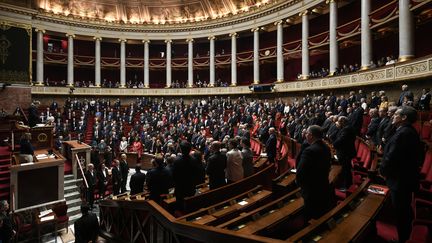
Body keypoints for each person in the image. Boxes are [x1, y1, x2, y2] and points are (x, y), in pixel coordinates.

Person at [379, 106, 423, 243]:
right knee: (403, 210)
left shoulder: (404, 133)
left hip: (400, 180)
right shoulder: (406, 131)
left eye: (396, 114)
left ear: (404, 118)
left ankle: (403, 238)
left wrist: (383, 171)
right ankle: (405, 236)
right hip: (403, 178)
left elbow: (392, 157)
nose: (392, 116)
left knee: (401, 212)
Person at [296, 125, 335, 221]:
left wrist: (300, 185)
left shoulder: (309, 151)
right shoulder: (326, 147)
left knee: (310, 214)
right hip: (322, 185)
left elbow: (301, 172)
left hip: (311, 189)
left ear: (310, 135)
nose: (305, 135)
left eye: (306, 134)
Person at [172, 141, 202, 211]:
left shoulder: (177, 160)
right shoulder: (194, 160)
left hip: (180, 187)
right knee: (189, 205)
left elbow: (174, 175)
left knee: (180, 206)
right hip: (190, 187)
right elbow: (196, 174)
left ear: (180, 149)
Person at [333, 116, 356, 191]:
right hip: (345, 152)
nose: (338, 123)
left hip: (345, 153)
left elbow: (340, 140)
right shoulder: (346, 128)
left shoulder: (346, 129)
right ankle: (345, 184)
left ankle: (346, 186)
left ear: (343, 122)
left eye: (339, 122)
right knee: (345, 169)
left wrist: (334, 144)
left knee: (345, 169)